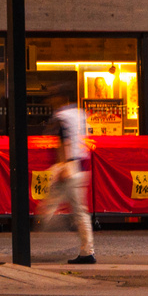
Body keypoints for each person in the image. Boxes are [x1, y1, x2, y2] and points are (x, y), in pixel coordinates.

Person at [40, 80, 95, 265]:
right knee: (80, 211)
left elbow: (64, 142)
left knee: (49, 205)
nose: (51, 101)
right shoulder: (81, 114)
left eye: (53, 97)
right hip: (83, 165)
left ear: (59, 98)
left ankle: (56, 229)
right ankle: (87, 251)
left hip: (68, 166)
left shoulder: (61, 116)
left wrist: (64, 164)